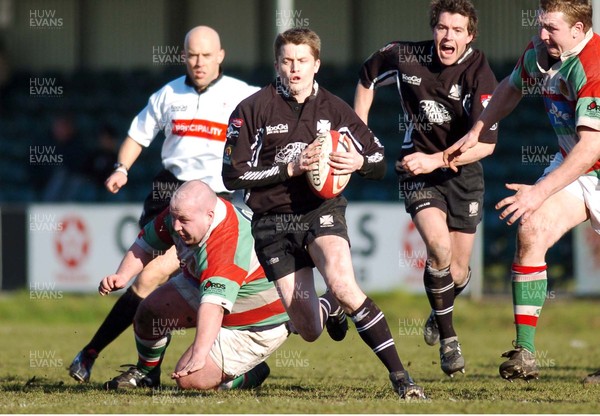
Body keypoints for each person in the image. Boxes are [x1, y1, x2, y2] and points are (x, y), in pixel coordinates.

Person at [222, 27, 425, 400]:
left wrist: (359, 161)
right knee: (309, 328)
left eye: (302, 61)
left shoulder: (334, 108)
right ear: (276, 64)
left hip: (321, 211)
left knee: (346, 285)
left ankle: (403, 380)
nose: (294, 69)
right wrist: (291, 168)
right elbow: (232, 175)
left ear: (316, 64)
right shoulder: (252, 109)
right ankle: (328, 305)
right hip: (273, 223)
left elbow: (379, 160)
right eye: (287, 61)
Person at [68, 25, 259, 383]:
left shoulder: (242, 95)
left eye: (206, 55)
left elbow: (275, 120)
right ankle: (101, 355)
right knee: (144, 283)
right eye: (192, 55)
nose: (199, 62)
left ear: (220, 56)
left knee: (159, 277)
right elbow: (137, 135)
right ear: (183, 56)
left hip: (215, 202)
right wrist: (122, 168)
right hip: (169, 193)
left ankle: (136, 365)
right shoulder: (168, 94)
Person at [443, 0, 600, 383]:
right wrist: (477, 131)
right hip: (580, 168)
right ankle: (525, 351)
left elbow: (592, 147)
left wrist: (537, 190)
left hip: (587, 157)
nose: (542, 34)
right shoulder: (541, 52)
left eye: (552, 29)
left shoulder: (594, 68)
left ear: (579, 31)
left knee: (532, 206)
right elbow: (510, 89)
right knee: (531, 227)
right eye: (541, 26)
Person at [354, 0, 497, 377]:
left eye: (457, 30)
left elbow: (487, 145)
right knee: (438, 248)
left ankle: (439, 310)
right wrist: (360, 128)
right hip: (416, 168)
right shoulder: (404, 55)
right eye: (442, 28)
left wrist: (438, 160)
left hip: (462, 173)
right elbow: (366, 77)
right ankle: (450, 341)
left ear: (470, 36)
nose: (447, 36)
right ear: (434, 29)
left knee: (460, 272)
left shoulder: (480, 73)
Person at [100, 180, 290, 390]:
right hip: (212, 290)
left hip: (257, 320)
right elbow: (145, 244)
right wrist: (123, 275)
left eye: (183, 220)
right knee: (149, 313)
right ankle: (145, 374)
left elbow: (213, 307)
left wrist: (199, 354)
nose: (175, 226)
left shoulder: (227, 242)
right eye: (174, 217)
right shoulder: (180, 215)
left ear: (209, 215)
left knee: (190, 379)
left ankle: (252, 374)